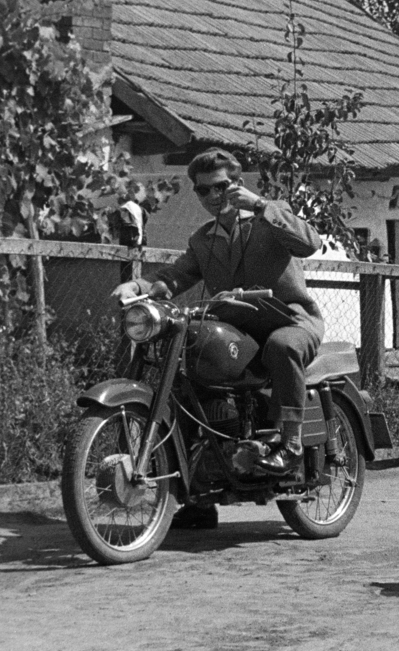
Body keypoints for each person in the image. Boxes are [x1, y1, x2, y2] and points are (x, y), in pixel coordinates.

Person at [110, 149, 322, 480]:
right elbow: (176, 275)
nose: (212, 195)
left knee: (283, 346)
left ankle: (291, 445)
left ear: (237, 184)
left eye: (220, 186)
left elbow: (310, 243)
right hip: (241, 331)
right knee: (191, 367)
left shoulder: (271, 216)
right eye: (203, 189)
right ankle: (197, 486)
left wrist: (259, 205)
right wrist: (137, 286)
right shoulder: (203, 239)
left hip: (290, 321)